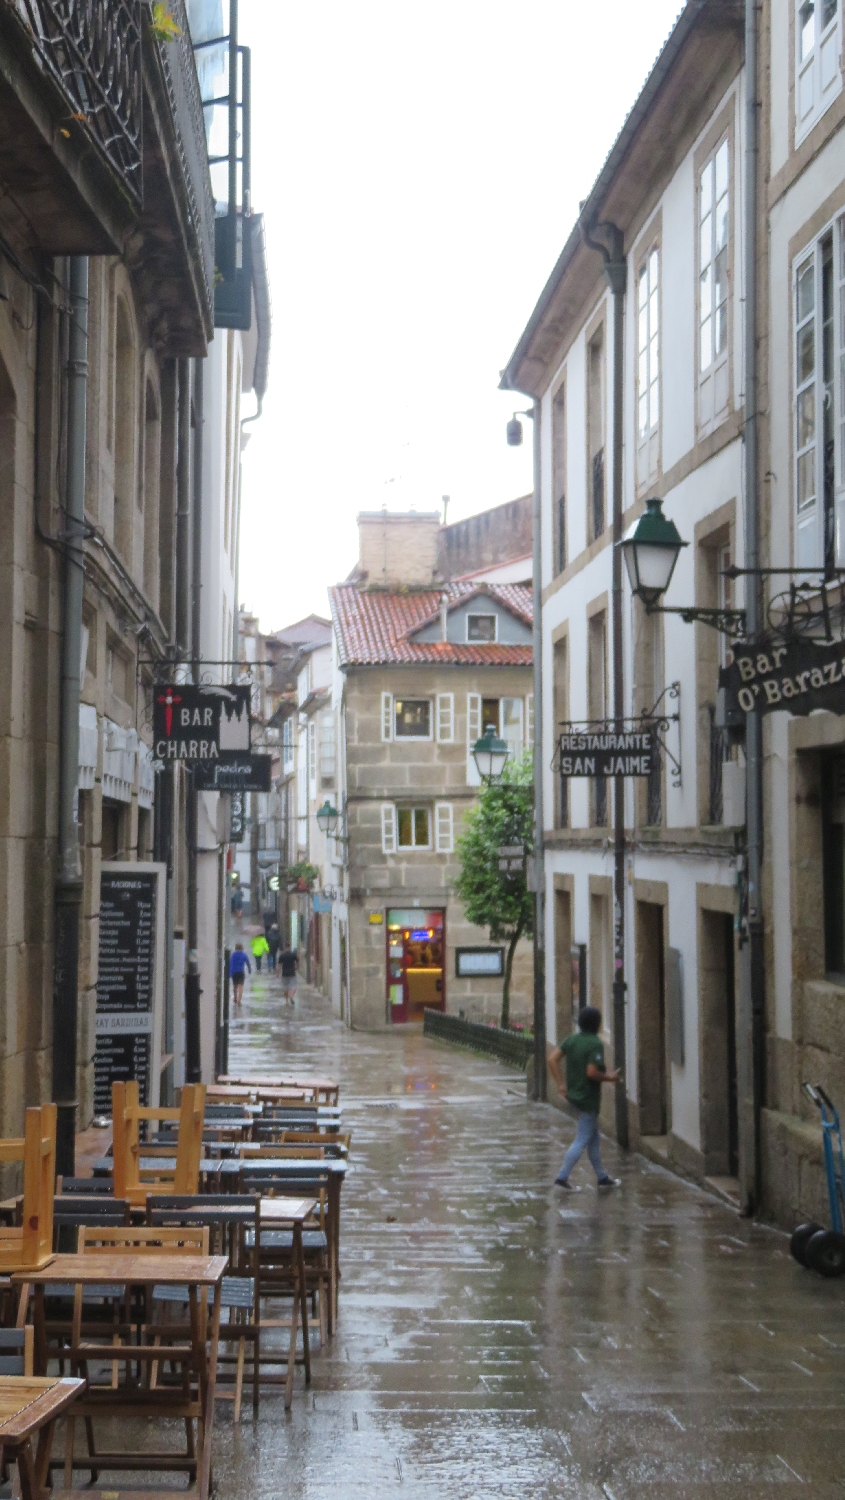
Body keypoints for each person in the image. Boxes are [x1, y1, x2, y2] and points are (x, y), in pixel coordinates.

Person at [548, 1006, 622, 1190]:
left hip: (574, 1094)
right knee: (582, 1139)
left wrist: (560, 1084)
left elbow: (552, 1059)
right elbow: (592, 1072)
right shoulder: (594, 1044)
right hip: (588, 1097)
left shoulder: (572, 1040)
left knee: (593, 1137)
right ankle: (562, 1177)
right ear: (597, 1024)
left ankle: (602, 1177)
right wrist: (610, 1078)